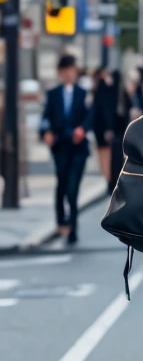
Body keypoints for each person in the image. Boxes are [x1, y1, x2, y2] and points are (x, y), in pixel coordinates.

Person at [40, 54, 93, 245]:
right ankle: (61, 220)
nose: (70, 74)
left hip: (78, 148)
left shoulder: (83, 93)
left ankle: (73, 229)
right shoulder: (53, 94)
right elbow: (45, 118)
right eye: (67, 71)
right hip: (60, 147)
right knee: (61, 185)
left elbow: (90, 116)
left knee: (72, 189)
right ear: (60, 73)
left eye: (73, 70)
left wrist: (83, 129)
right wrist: (45, 131)